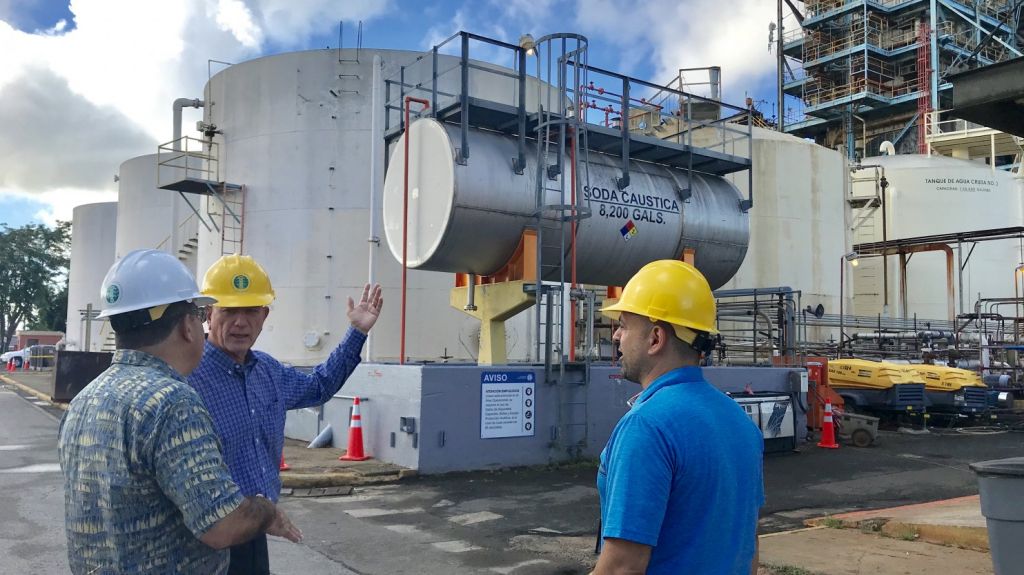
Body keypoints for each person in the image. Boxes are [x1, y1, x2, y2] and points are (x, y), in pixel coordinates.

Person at [57, 249, 301, 575]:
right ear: (189, 326)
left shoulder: (84, 401)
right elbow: (222, 525)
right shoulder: (172, 403)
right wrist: (267, 512)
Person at [188, 254, 383, 574]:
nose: (241, 322)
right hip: (204, 540)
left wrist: (356, 333)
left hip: (254, 531)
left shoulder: (268, 372)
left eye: (251, 311)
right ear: (209, 314)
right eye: (230, 311)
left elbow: (318, 386)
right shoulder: (189, 377)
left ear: (264, 316)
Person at [593, 260, 764, 574]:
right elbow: (748, 546)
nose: (616, 336)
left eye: (625, 324)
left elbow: (622, 567)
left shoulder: (647, 426)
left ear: (655, 338)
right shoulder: (739, 422)